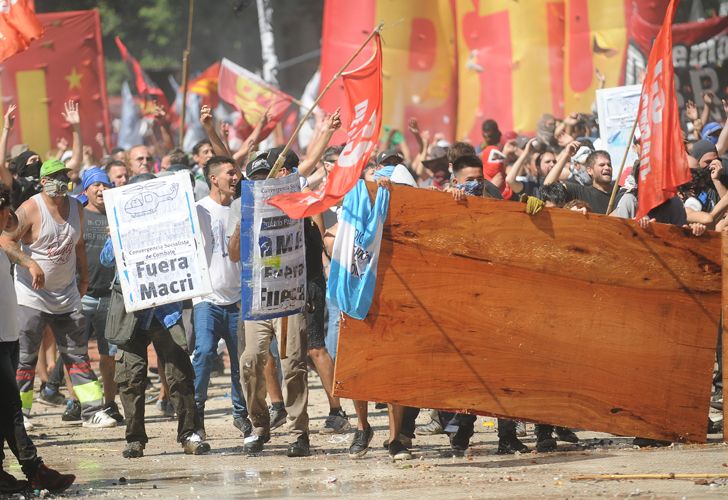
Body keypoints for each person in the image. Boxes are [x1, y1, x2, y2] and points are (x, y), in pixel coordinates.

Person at [0, 158, 115, 430]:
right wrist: (30, 263)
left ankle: (92, 411)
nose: (61, 181)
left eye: (65, 175)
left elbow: (79, 246)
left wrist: (84, 278)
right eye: (55, 176)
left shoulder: (77, 207)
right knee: (25, 358)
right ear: (43, 182)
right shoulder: (31, 208)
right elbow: (5, 240)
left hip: (67, 295)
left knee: (77, 355)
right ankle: (21, 412)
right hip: (32, 296)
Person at [101, 173, 210, 458]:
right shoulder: (118, 222)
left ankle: (189, 434)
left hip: (166, 314)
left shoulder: (173, 222)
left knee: (179, 377)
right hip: (130, 316)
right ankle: (135, 439)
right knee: (130, 378)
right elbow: (105, 259)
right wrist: (115, 236)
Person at [0, 186, 76, 495]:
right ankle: (36, 470)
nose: (9, 216)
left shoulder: (4, 243)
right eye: (5, 211)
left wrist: (30, 263)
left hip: (8, 335)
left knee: (6, 409)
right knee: (11, 407)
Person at [192, 156, 250, 437]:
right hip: (206, 298)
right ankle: (196, 416)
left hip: (238, 299)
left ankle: (241, 414)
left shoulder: (242, 208)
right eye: (230, 173)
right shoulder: (198, 211)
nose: (236, 177)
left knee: (242, 360)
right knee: (203, 353)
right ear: (213, 179)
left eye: (237, 173)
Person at [543, 145, 619, 215]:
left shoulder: (621, 193)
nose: (607, 168)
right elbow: (548, 186)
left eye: (609, 165)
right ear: (589, 170)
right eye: (602, 165)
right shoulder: (580, 192)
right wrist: (566, 155)